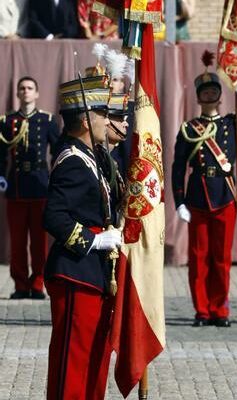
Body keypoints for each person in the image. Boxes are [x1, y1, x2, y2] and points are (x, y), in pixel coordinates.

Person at [172, 51, 237, 328]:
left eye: (214, 90)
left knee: (221, 259)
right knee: (198, 258)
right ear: (198, 97)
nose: (209, 95)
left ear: (220, 95)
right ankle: (201, 310)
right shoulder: (188, 129)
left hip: (225, 196)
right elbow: (178, 167)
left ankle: (220, 309)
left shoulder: (231, 123)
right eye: (205, 92)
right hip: (197, 197)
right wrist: (179, 201)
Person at [43, 72, 122, 399]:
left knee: (93, 358)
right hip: (77, 272)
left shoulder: (93, 157)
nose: (109, 119)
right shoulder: (73, 161)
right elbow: (54, 216)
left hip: (94, 274)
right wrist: (93, 241)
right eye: (104, 113)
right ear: (87, 120)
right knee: (74, 359)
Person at [0, 77, 60, 299]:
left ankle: (37, 284)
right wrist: (0, 176)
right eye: (22, 88)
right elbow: (0, 153)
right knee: (17, 242)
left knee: (39, 241)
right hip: (15, 186)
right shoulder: (7, 121)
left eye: (30, 88)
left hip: (40, 186)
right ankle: (20, 285)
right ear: (17, 94)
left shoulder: (48, 121)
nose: (25, 92)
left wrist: (57, 178)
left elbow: (58, 151)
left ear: (36, 93)